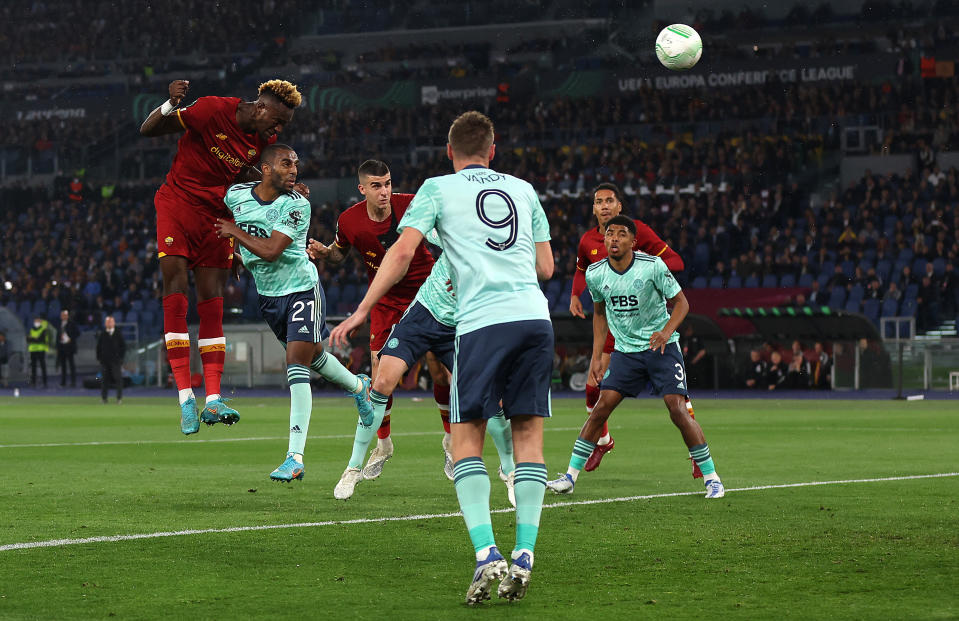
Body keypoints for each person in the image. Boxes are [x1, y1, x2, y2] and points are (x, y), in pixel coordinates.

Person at [330, 111, 554, 604]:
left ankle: (485, 554)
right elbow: (545, 266)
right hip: (534, 319)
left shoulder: (436, 189)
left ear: (449, 153)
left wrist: (360, 311)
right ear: (493, 150)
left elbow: (402, 253)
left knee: (466, 436)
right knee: (530, 438)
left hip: (479, 320)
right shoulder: (524, 189)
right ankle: (525, 554)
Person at [140, 78, 304, 434]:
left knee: (212, 300)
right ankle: (185, 396)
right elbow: (148, 129)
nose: (277, 130)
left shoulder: (263, 140)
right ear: (260, 108)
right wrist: (169, 104)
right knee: (176, 285)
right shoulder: (214, 109)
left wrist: (287, 184)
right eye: (276, 121)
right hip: (178, 203)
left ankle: (212, 399)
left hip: (217, 215)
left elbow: (252, 172)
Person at [314, 226, 517, 502]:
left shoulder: (504, 262)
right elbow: (418, 232)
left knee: (488, 397)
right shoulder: (458, 231)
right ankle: (353, 467)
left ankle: (510, 471)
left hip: (458, 326)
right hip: (423, 315)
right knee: (383, 381)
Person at [215, 143, 374, 480]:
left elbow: (271, 250)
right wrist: (231, 250)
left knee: (296, 364)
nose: (294, 170)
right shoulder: (237, 196)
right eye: (286, 164)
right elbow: (217, 213)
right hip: (269, 296)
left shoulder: (298, 204)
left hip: (301, 289)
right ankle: (360, 388)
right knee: (315, 356)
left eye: (296, 164)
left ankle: (294, 457)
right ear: (267, 169)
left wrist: (234, 233)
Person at [547, 216, 724, 500]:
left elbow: (682, 303)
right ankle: (570, 477)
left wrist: (666, 332)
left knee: (677, 409)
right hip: (626, 353)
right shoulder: (595, 274)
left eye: (621, 234)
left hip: (661, 349)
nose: (614, 238)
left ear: (633, 241)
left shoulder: (653, 266)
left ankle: (712, 478)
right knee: (600, 409)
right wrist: (596, 356)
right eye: (609, 234)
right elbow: (600, 314)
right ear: (603, 240)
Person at [310, 159, 449, 482]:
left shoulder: (411, 205)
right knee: (379, 371)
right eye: (376, 185)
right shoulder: (350, 220)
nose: (385, 191)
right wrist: (323, 251)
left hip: (425, 292)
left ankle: (450, 441)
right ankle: (383, 445)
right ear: (362, 189)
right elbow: (339, 253)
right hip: (385, 297)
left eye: (387, 183)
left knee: (439, 368)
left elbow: (444, 235)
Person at [567, 182, 697, 475]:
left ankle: (695, 455)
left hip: (643, 321)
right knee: (592, 389)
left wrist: (647, 270)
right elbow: (581, 271)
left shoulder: (636, 232)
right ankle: (603, 440)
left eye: (610, 201)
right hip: (614, 323)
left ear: (619, 206)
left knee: (677, 399)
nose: (604, 207)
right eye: (598, 201)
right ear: (594, 209)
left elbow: (675, 260)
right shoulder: (588, 240)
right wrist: (575, 295)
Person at [96, 315, 126, 404]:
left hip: (115, 361)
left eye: (111, 321)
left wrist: (120, 358)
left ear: (114, 323)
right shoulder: (103, 334)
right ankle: (104, 398)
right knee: (104, 380)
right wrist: (99, 358)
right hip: (104, 361)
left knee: (118, 379)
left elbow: (123, 347)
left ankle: (119, 398)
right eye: (107, 322)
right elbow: (98, 347)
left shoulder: (118, 333)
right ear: (105, 323)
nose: (109, 323)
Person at [27, 315, 53, 388]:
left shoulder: (44, 330)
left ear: (41, 322)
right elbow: (28, 339)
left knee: (43, 366)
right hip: (33, 350)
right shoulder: (32, 329)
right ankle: (33, 382)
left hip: (41, 350)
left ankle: (45, 382)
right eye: (35, 321)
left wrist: (33, 339)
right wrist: (35, 339)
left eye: (38, 321)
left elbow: (41, 339)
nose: (36, 322)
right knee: (33, 367)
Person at [56, 309, 79, 387]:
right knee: (63, 366)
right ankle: (63, 382)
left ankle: (73, 382)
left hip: (69, 347)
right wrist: (57, 346)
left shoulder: (72, 324)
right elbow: (57, 336)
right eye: (62, 315)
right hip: (62, 347)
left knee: (71, 365)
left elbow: (77, 333)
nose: (63, 316)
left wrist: (71, 339)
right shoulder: (59, 324)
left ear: (67, 316)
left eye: (64, 315)